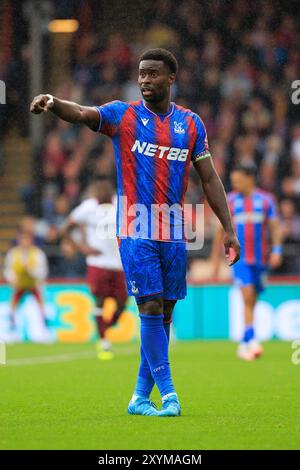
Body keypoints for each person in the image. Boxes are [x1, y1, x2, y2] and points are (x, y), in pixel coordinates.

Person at [30, 48, 240, 417]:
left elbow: (209, 177)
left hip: (174, 228)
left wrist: (229, 229)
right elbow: (81, 114)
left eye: (153, 74)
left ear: (171, 78)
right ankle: (170, 395)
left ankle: (139, 398)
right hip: (135, 226)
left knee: (165, 316)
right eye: (142, 74)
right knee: (151, 306)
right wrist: (53, 102)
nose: (145, 80)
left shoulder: (191, 124)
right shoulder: (123, 115)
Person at [211, 162, 282, 361]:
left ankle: (244, 342)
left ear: (249, 178)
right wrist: (215, 259)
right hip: (239, 259)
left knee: (252, 299)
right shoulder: (231, 201)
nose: (235, 184)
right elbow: (220, 231)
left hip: (261, 259)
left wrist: (277, 250)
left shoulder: (266, 200)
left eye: (238, 180)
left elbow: (275, 227)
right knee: (247, 295)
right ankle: (252, 340)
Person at [61, 176, 127, 360]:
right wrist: (81, 247)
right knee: (100, 300)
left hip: (119, 263)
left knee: (122, 302)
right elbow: (66, 227)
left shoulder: (121, 204)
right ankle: (103, 341)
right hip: (98, 263)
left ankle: (105, 327)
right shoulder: (88, 207)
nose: (102, 193)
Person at [3, 231, 48, 332]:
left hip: (34, 284)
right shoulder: (13, 253)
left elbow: (42, 271)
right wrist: (12, 279)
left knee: (41, 306)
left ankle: (45, 328)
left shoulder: (37, 253)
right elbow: (8, 269)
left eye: (27, 239)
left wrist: (30, 269)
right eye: (22, 239)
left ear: (31, 240)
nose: (24, 242)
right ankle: (12, 327)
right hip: (19, 284)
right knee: (13, 306)